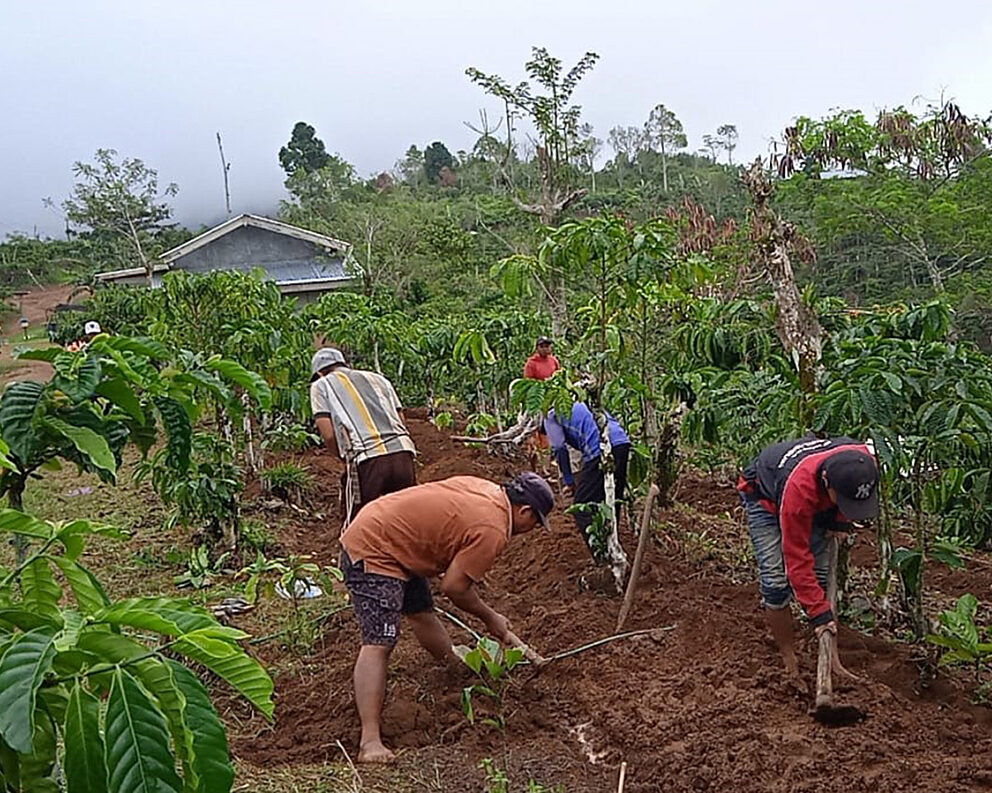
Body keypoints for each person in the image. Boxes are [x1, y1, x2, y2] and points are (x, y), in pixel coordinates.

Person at [339, 471, 555, 763]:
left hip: (393, 536)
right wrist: (491, 617)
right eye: (535, 522)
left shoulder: (485, 488)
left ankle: (458, 670)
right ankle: (370, 742)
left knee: (421, 613)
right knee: (380, 641)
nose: (531, 530)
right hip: (376, 549)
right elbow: (454, 587)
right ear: (525, 511)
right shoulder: (493, 527)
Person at [737, 435, 880, 682]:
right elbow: (797, 559)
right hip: (766, 499)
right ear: (828, 484)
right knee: (776, 584)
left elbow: (853, 493)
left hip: (817, 500)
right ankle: (789, 659)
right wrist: (819, 614)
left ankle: (831, 660)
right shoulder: (799, 493)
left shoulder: (864, 463)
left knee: (822, 583)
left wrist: (840, 520)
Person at [310, 348, 418, 526]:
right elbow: (401, 419)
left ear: (320, 373)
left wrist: (343, 457)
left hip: (367, 459)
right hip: (403, 454)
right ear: (345, 364)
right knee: (405, 521)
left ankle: (354, 554)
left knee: (358, 524)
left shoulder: (320, 385)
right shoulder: (379, 379)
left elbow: (328, 435)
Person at [544, 402, 630, 552]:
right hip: (622, 441)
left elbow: (559, 447)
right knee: (612, 497)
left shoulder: (550, 415)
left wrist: (569, 481)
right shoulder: (581, 400)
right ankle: (614, 545)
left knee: (581, 506)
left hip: (600, 447)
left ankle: (601, 553)